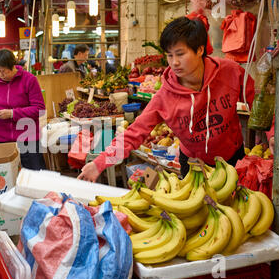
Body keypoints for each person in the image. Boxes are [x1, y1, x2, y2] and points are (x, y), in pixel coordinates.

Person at [77, 17, 255, 182]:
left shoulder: (230, 72)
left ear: (200, 49)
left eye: (180, 54)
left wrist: (271, 135)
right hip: (194, 165)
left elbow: (259, 103)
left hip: (233, 158)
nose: (174, 62)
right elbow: (133, 134)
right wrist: (99, 164)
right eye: (170, 55)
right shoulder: (165, 96)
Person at [0, 49, 47, 170]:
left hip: (28, 139)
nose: (0, 75)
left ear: (12, 66)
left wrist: (12, 113)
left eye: (3, 71)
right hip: (1, 139)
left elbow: (40, 109)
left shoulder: (29, 79)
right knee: (4, 177)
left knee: (34, 176)